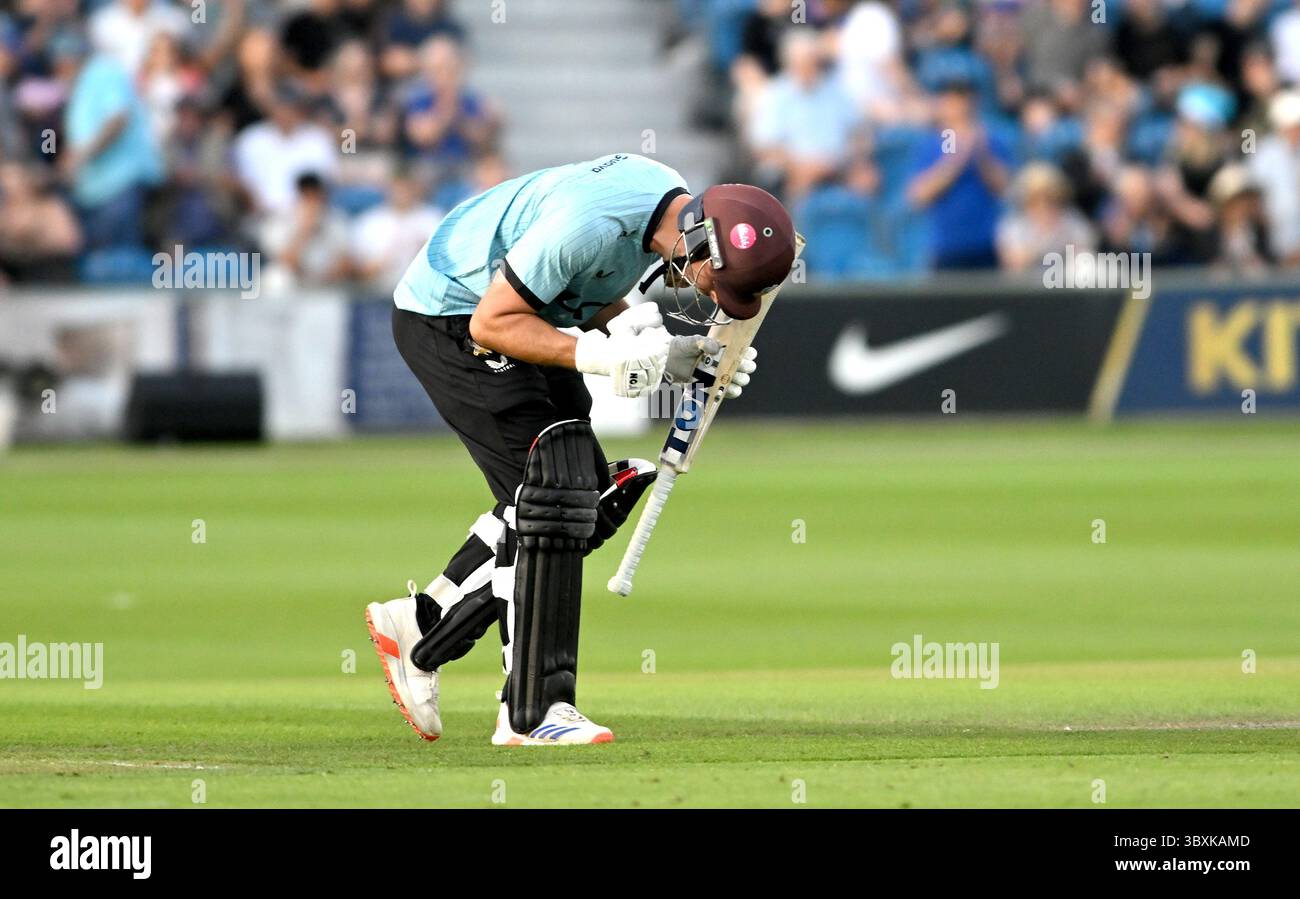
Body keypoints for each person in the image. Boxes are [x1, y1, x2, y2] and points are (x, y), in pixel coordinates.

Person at [366, 153, 796, 745]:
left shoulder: (660, 205)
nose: (715, 297)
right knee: (554, 490)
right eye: (716, 281)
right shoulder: (591, 222)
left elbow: (582, 285)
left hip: (521, 308)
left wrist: (660, 352)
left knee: (582, 504)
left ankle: (422, 629)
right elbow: (492, 321)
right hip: (451, 314)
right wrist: (601, 356)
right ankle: (532, 712)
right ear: (697, 242)